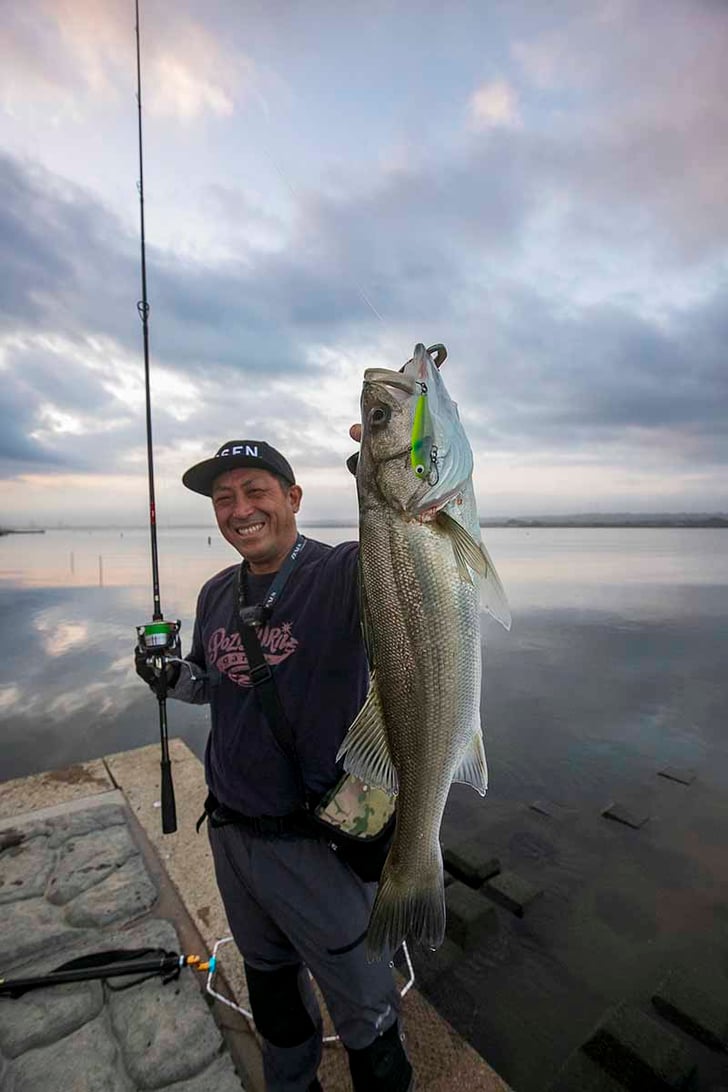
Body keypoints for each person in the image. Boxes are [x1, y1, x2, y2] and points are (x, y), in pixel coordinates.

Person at [135, 439, 413, 1092]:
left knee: (366, 1010)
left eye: (255, 491)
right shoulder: (215, 592)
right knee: (272, 990)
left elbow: (409, 557)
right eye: (223, 499)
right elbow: (212, 680)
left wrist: (385, 471)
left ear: (292, 498)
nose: (239, 510)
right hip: (233, 833)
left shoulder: (344, 573)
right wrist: (171, 677)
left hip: (318, 843)